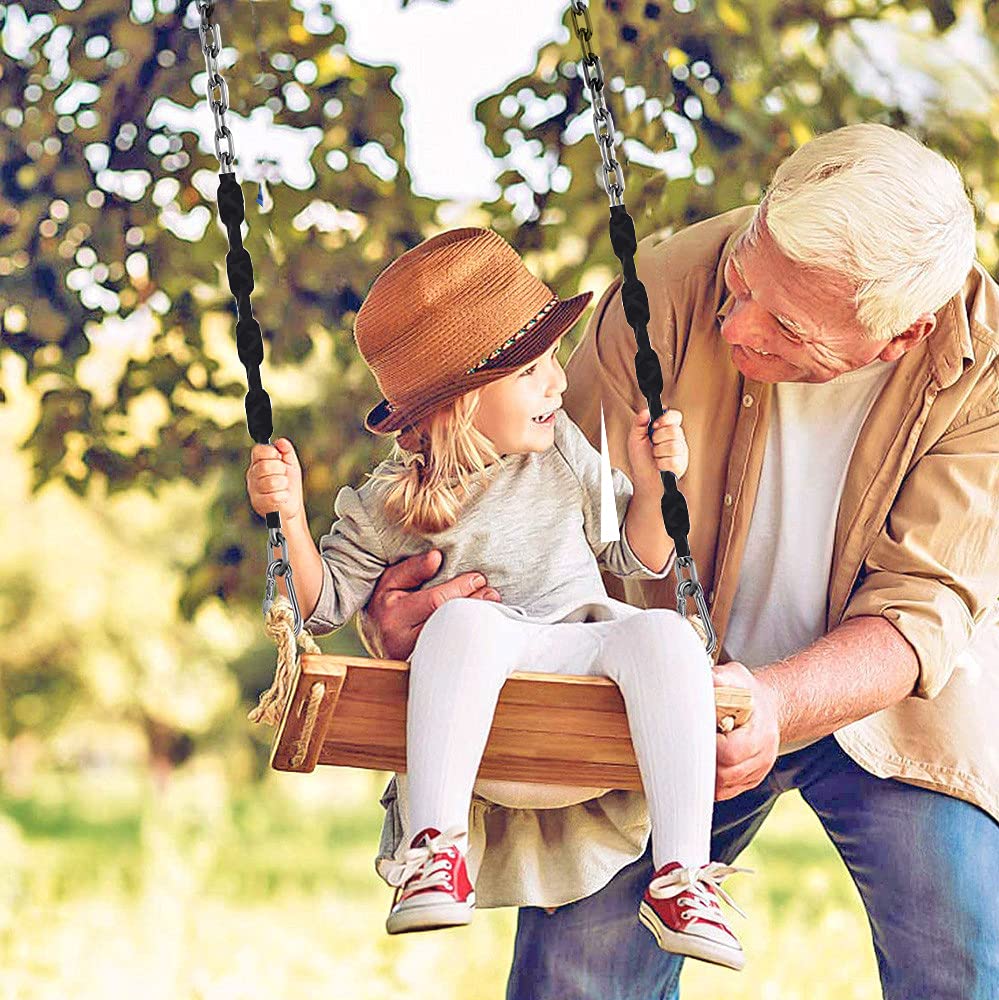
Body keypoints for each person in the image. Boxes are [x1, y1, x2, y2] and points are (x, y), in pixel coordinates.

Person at [357, 123, 999, 1000]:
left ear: (900, 337)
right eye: (742, 280)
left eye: (786, 326)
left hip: (881, 694)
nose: (735, 322)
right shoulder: (659, 290)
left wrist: (775, 700)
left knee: (962, 960)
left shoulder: (987, 368)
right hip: (653, 680)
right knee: (575, 981)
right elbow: (525, 498)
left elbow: (922, 605)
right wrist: (421, 605)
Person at [246, 226, 758, 970]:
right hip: (487, 707)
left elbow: (639, 555)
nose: (558, 384)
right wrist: (290, 521)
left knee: (668, 636)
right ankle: (435, 851)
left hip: (580, 660)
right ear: (460, 399)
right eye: (532, 370)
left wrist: (654, 486)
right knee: (464, 621)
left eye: (554, 363)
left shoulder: (562, 452)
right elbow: (319, 606)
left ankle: (683, 876)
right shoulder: (387, 504)